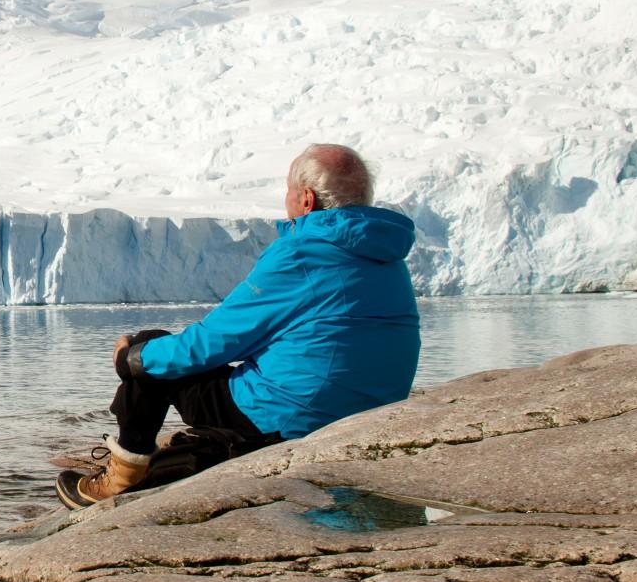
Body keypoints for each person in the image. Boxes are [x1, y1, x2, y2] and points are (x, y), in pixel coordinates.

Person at [57, 143, 421, 509]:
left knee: (149, 351)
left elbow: (214, 342)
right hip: (366, 418)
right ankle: (189, 452)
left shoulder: (300, 254)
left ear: (306, 199)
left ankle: (120, 480)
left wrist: (130, 360)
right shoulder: (386, 256)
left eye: (289, 190)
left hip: (293, 419)